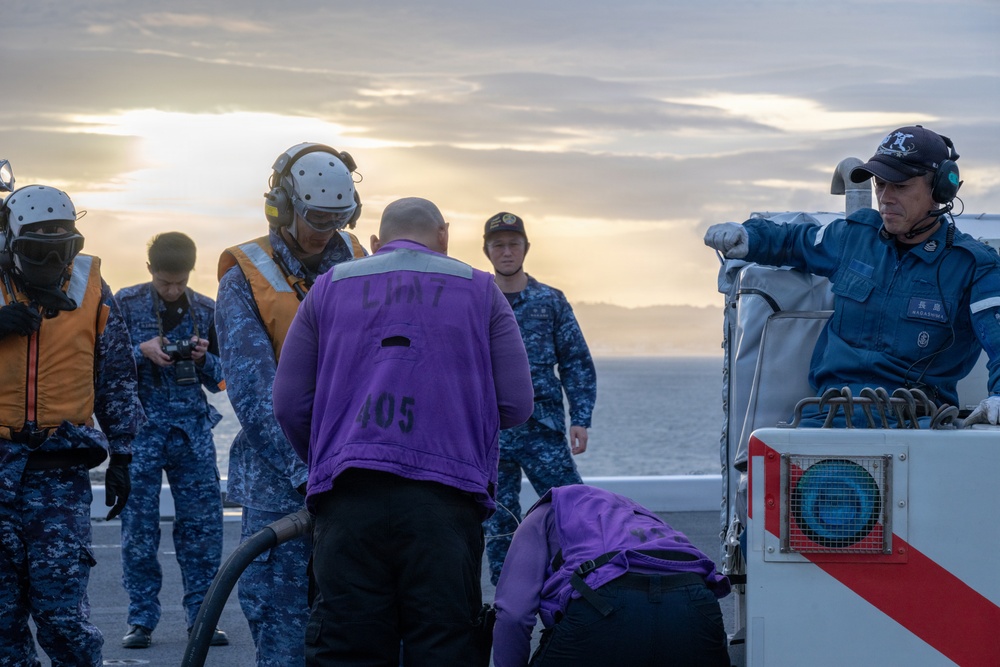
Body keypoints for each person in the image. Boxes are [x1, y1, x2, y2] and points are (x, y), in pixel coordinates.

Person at [272, 196, 534, 665]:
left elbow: (289, 405)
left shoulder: (330, 286)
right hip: (445, 504)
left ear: (376, 243)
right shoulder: (480, 288)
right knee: (444, 646)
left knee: (346, 650)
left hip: (348, 499)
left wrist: (328, 460)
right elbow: (516, 404)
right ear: (444, 235)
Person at [704, 125, 1000, 426]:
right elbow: (793, 242)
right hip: (829, 417)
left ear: (940, 189)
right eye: (881, 184)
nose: (885, 197)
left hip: (916, 424)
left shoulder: (975, 265)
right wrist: (748, 238)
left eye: (900, 186)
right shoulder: (854, 238)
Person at [216, 143, 367, 667]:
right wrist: (307, 475)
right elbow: (255, 393)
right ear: (282, 206)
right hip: (283, 482)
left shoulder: (363, 267)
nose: (325, 229)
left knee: (359, 624)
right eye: (315, 217)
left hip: (353, 473)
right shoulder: (244, 280)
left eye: (337, 217)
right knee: (282, 632)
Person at [0, 180, 143, 666]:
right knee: (1, 623)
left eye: (60, 251)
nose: (50, 263)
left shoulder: (90, 289)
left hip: (57, 475)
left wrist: (122, 455)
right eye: (36, 252)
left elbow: (116, 377)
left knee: (63, 617)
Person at [115, 232, 229, 649]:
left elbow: (221, 380)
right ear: (150, 271)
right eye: (165, 282)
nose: (173, 289)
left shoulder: (206, 310)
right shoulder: (124, 304)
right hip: (141, 435)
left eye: (180, 281)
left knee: (202, 530)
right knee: (139, 531)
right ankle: (140, 620)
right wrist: (139, 350)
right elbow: (100, 365)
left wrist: (203, 358)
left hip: (192, 435)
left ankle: (202, 618)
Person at [492, 484, 731, 667]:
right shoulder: (638, 514)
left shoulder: (542, 514)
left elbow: (513, 615)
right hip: (695, 602)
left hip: (606, 603)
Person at [482, 212, 597, 585]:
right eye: (498, 244)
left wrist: (580, 417)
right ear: (486, 250)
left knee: (572, 508)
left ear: (526, 248)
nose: (506, 251)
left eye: (514, 243)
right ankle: (506, 600)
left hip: (541, 429)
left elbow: (576, 360)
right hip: (490, 432)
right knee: (497, 520)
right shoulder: (474, 299)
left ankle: (583, 583)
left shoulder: (549, 300)